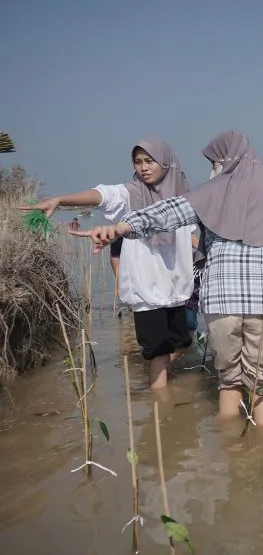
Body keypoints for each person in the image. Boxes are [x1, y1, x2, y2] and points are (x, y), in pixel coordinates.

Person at [70, 130, 263, 427]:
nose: (212, 169)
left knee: (229, 382)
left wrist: (122, 227)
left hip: (221, 304)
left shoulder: (212, 192)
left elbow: (166, 212)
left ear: (226, 160)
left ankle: (233, 453)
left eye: (214, 162)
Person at [23, 138, 195, 388]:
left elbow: (191, 233)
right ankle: (160, 410)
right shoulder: (131, 193)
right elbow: (101, 195)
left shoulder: (183, 196)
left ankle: (162, 390)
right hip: (147, 288)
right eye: (138, 162)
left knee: (183, 341)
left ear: (166, 162)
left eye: (149, 161)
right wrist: (60, 200)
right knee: (158, 351)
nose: (143, 167)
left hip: (176, 286)